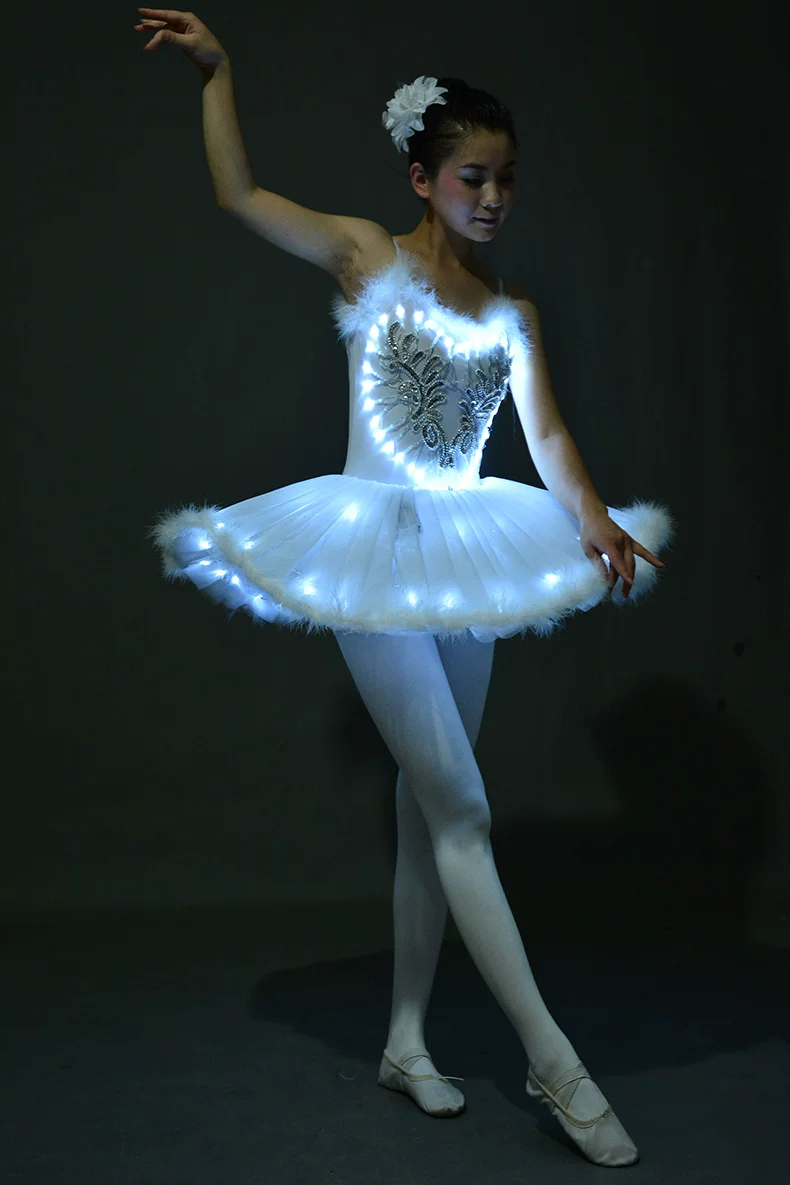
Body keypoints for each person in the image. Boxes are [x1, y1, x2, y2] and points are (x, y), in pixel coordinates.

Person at [137, 8, 675, 1168]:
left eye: (507, 179)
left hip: (467, 545)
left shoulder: (511, 314)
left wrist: (592, 516)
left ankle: (405, 1041)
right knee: (462, 809)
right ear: (422, 179)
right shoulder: (364, 257)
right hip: (371, 547)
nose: (494, 197)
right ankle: (555, 1064)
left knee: (425, 806)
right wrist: (218, 71)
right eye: (473, 177)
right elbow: (239, 197)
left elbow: (546, 436)